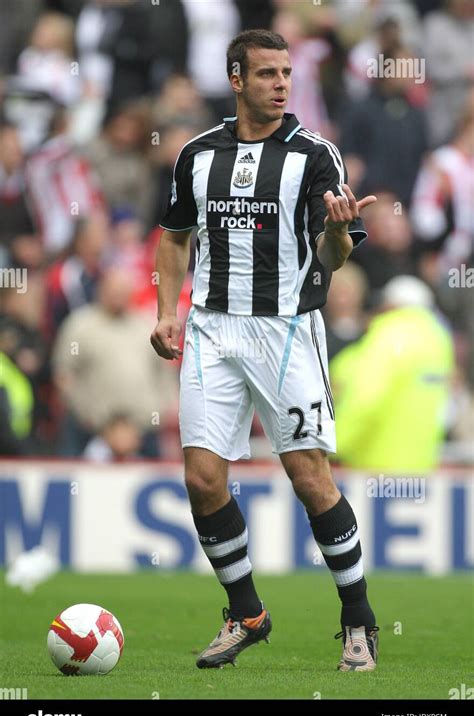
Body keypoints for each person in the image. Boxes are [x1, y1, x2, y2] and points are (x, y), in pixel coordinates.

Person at [150, 29, 379, 672]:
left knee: (310, 479)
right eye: (267, 74)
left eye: (286, 73)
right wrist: (167, 311)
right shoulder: (196, 154)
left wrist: (337, 232)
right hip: (211, 329)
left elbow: (334, 258)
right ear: (235, 79)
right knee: (201, 479)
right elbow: (173, 237)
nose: (281, 84)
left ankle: (358, 620)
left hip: (284, 329)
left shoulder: (315, 156)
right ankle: (246, 612)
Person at [329, 276, 454, 472]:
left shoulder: (388, 335)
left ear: (392, 305)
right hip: (421, 466)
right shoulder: (440, 342)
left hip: (375, 466)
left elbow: (365, 399)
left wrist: (330, 446)